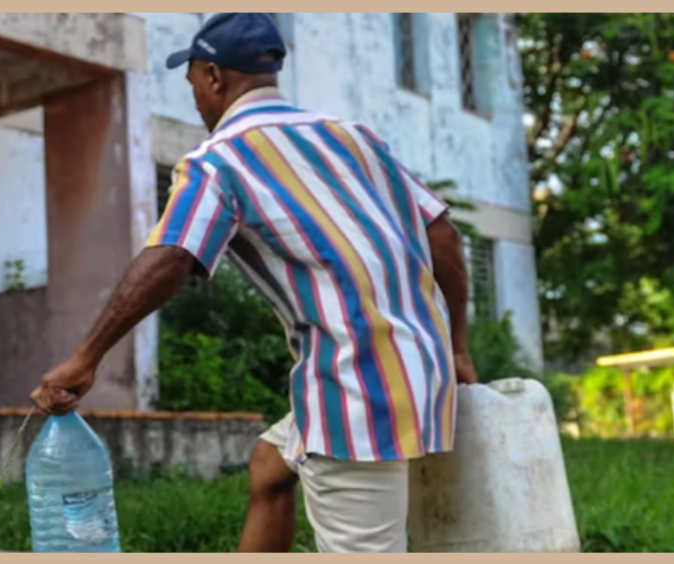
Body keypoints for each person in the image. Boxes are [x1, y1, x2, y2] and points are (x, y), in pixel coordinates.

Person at [29, 13, 477, 553]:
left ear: (215, 76)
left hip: (357, 392)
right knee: (270, 466)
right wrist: (456, 347)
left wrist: (85, 357)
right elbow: (443, 233)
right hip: (421, 370)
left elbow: (172, 255)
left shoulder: (219, 161)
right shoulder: (351, 137)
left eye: (192, 78)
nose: (193, 94)